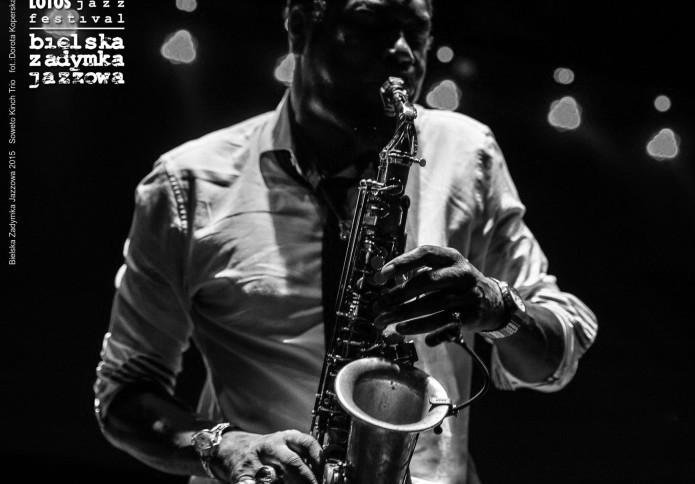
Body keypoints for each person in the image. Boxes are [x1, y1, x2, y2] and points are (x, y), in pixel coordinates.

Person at [93, 1, 598, 483]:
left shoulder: (468, 152)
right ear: (299, 26)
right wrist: (221, 446)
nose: (403, 51)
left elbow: (557, 357)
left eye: (418, 32)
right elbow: (124, 393)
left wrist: (496, 306)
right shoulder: (187, 183)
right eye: (371, 24)